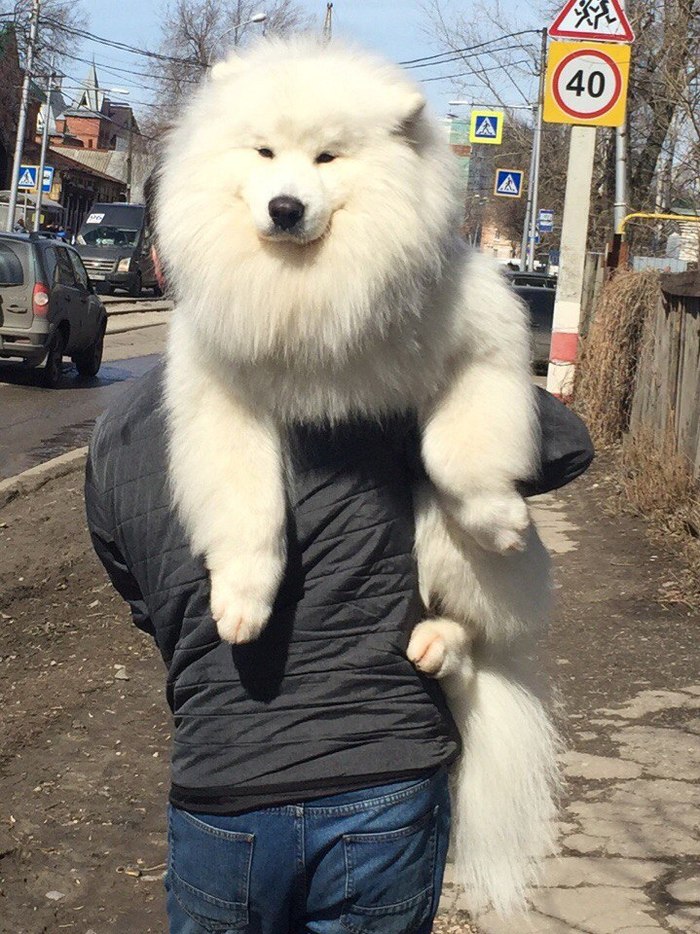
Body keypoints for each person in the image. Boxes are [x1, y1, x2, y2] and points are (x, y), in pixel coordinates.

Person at [85, 176, 594, 934]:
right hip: (381, 780)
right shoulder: (383, 371)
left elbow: (144, 602)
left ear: (162, 260)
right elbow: (563, 447)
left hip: (221, 786)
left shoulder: (116, 432)